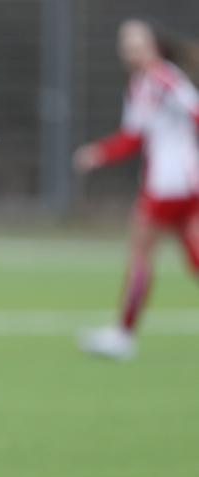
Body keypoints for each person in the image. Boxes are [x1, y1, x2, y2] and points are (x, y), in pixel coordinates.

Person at [74, 19, 199, 361]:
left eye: (137, 43)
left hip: (169, 185)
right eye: (126, 44)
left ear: (153, 45)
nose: (131, 50)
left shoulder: (163, 79)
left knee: (140, 254)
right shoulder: (141, 84)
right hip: (182, 184)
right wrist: (99, 153)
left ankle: (123, 335)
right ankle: (122, 334)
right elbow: (133, 137)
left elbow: (195, 113)